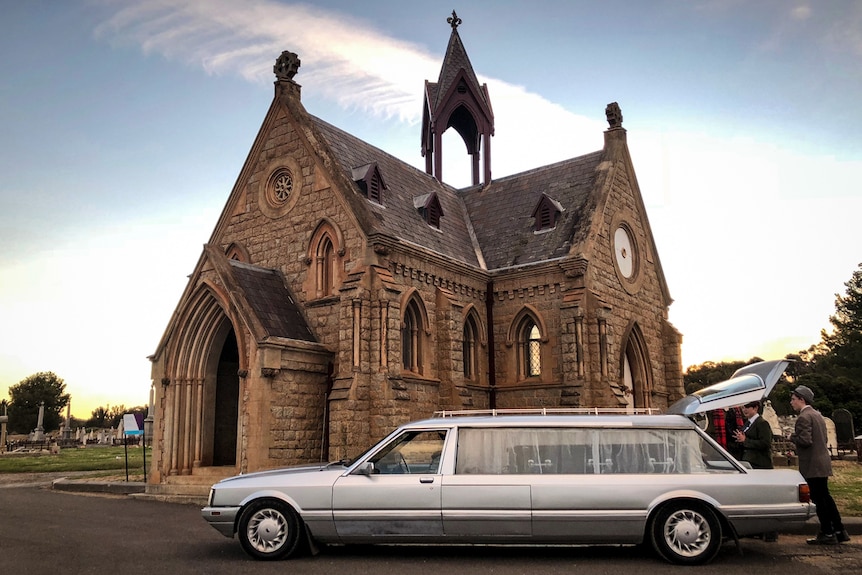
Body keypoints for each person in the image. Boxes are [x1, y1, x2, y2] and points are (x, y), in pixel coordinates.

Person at [789, 385, 850, 545]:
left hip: (812, 465)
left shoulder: (804, 417)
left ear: (801, 399)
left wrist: (792, 437)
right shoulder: (817, 415)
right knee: (826, 497)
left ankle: (827, 532)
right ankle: (839, 529)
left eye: (793, 399)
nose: (791, 402)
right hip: (822, 462)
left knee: (819, 499)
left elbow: (806, 441)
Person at [733, 400, 774, 469]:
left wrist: (745, 440)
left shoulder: (762, 423)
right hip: (747, 462)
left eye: (747, 407)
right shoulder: (747, 423)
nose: (744, 410)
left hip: (759, 463)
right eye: (743, 408)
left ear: (755, 408)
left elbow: (766, 443)